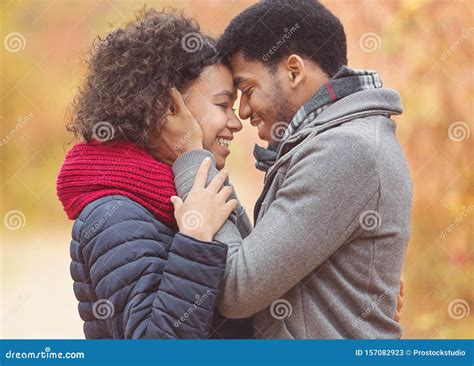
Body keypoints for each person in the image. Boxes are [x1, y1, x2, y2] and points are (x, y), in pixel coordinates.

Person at [164, 0, 412, 338]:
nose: (245, 110)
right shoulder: (335, 142)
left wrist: (193, 157)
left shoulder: (344, 151)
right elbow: (262, 264)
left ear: (294, 70)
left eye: (248, 90)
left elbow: (238, 289)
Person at [56, 9, 252, 339]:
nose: (236, 122)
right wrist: (195, 239)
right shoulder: (114, 215)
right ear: (167, 107)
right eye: (223, 105)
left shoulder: (180, 194)